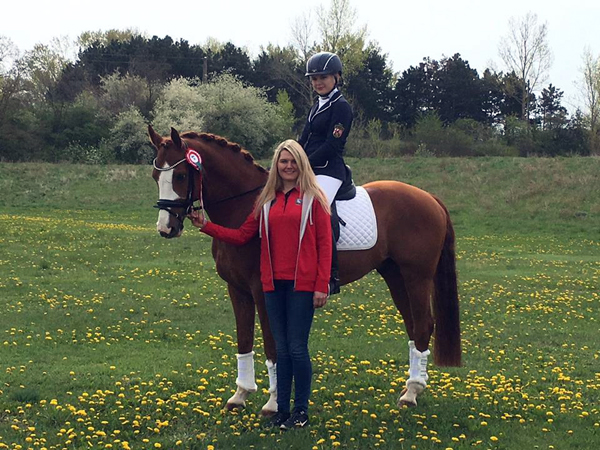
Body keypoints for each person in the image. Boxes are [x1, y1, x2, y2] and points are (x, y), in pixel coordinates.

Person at [189, 139, 332, 430]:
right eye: (283, 162)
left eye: (293, 162)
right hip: (272, 284)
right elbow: (242, 235)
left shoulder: (313, 199)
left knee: (297, 349)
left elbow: (325, 244)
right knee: (281, 348)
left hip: (301, 284)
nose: (288, 167)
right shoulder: (267, 201)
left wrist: (322, 284)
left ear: (300, 165)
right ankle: (282, 409)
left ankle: (301, 411)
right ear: (276, 166)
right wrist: (205, 226)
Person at [298, 51, 353, 296]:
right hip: (307, 167)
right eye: (314, 78)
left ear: (336, 77)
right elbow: (303, 139)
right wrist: (286, 159)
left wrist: (302, 163)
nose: (318, 82)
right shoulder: (316, 107)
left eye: (323, 77)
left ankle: (331, 274)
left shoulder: (341, 108)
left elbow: (333, 145)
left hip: (329, 170)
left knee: (318, 207)